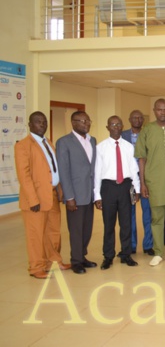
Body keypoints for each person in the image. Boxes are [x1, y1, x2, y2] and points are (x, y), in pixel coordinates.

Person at [15, 112, 70, 278]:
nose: (42, 125)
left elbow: (54, 169)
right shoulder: (23, 146)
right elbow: (24, 176)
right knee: (36, 234)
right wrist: (33, 199)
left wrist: (59, 190)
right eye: (38, 122)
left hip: (51, 195)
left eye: (44, 122)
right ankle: (36, 267)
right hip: (35, 198)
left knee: (53, 232)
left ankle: (53, 262)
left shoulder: (48, 142)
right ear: (30, 125)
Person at [135, 99, 165, 266]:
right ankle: (157, 252)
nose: (162, 112)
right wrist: (142, 183)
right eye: (159, 110)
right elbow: (141, 158)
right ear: (154, 111)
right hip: (153, 182)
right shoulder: (147, 130)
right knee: (156, 220)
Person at [93, 115, 140, 270]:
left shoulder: (128, 146)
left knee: (126, 223)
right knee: (109, 224)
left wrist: (137, 190)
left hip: (125, 187)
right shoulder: (100, 147)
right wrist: (97, 196)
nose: (115, 127)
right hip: (108, 188)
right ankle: (108, 256)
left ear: (122, 126)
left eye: (118, 124)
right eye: (112, 124)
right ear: (108, 127)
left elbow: (134, 170)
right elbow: (97, 173)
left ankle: (126, 254)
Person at [56, 111, 97, 274]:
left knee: (87, 228)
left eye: (88, 121)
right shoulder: (64, 142)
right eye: (82, 121)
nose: (86, 124)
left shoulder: (92, 140)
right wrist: (69, 196)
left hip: (89, 193)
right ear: (73, 123)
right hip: (75, 194)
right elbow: (63, 171)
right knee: (76, 229)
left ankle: (83, 256)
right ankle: (76, 261)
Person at [121, 110, 154, 256]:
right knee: (129, 214)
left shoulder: (149, 134)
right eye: (134, 117)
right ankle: (131, 245)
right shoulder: (122, 136)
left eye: (140, 117)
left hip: (146, 177)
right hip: (129, 179)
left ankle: (148, 245)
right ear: (129, 119)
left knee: (148, 213)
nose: (138, 120)